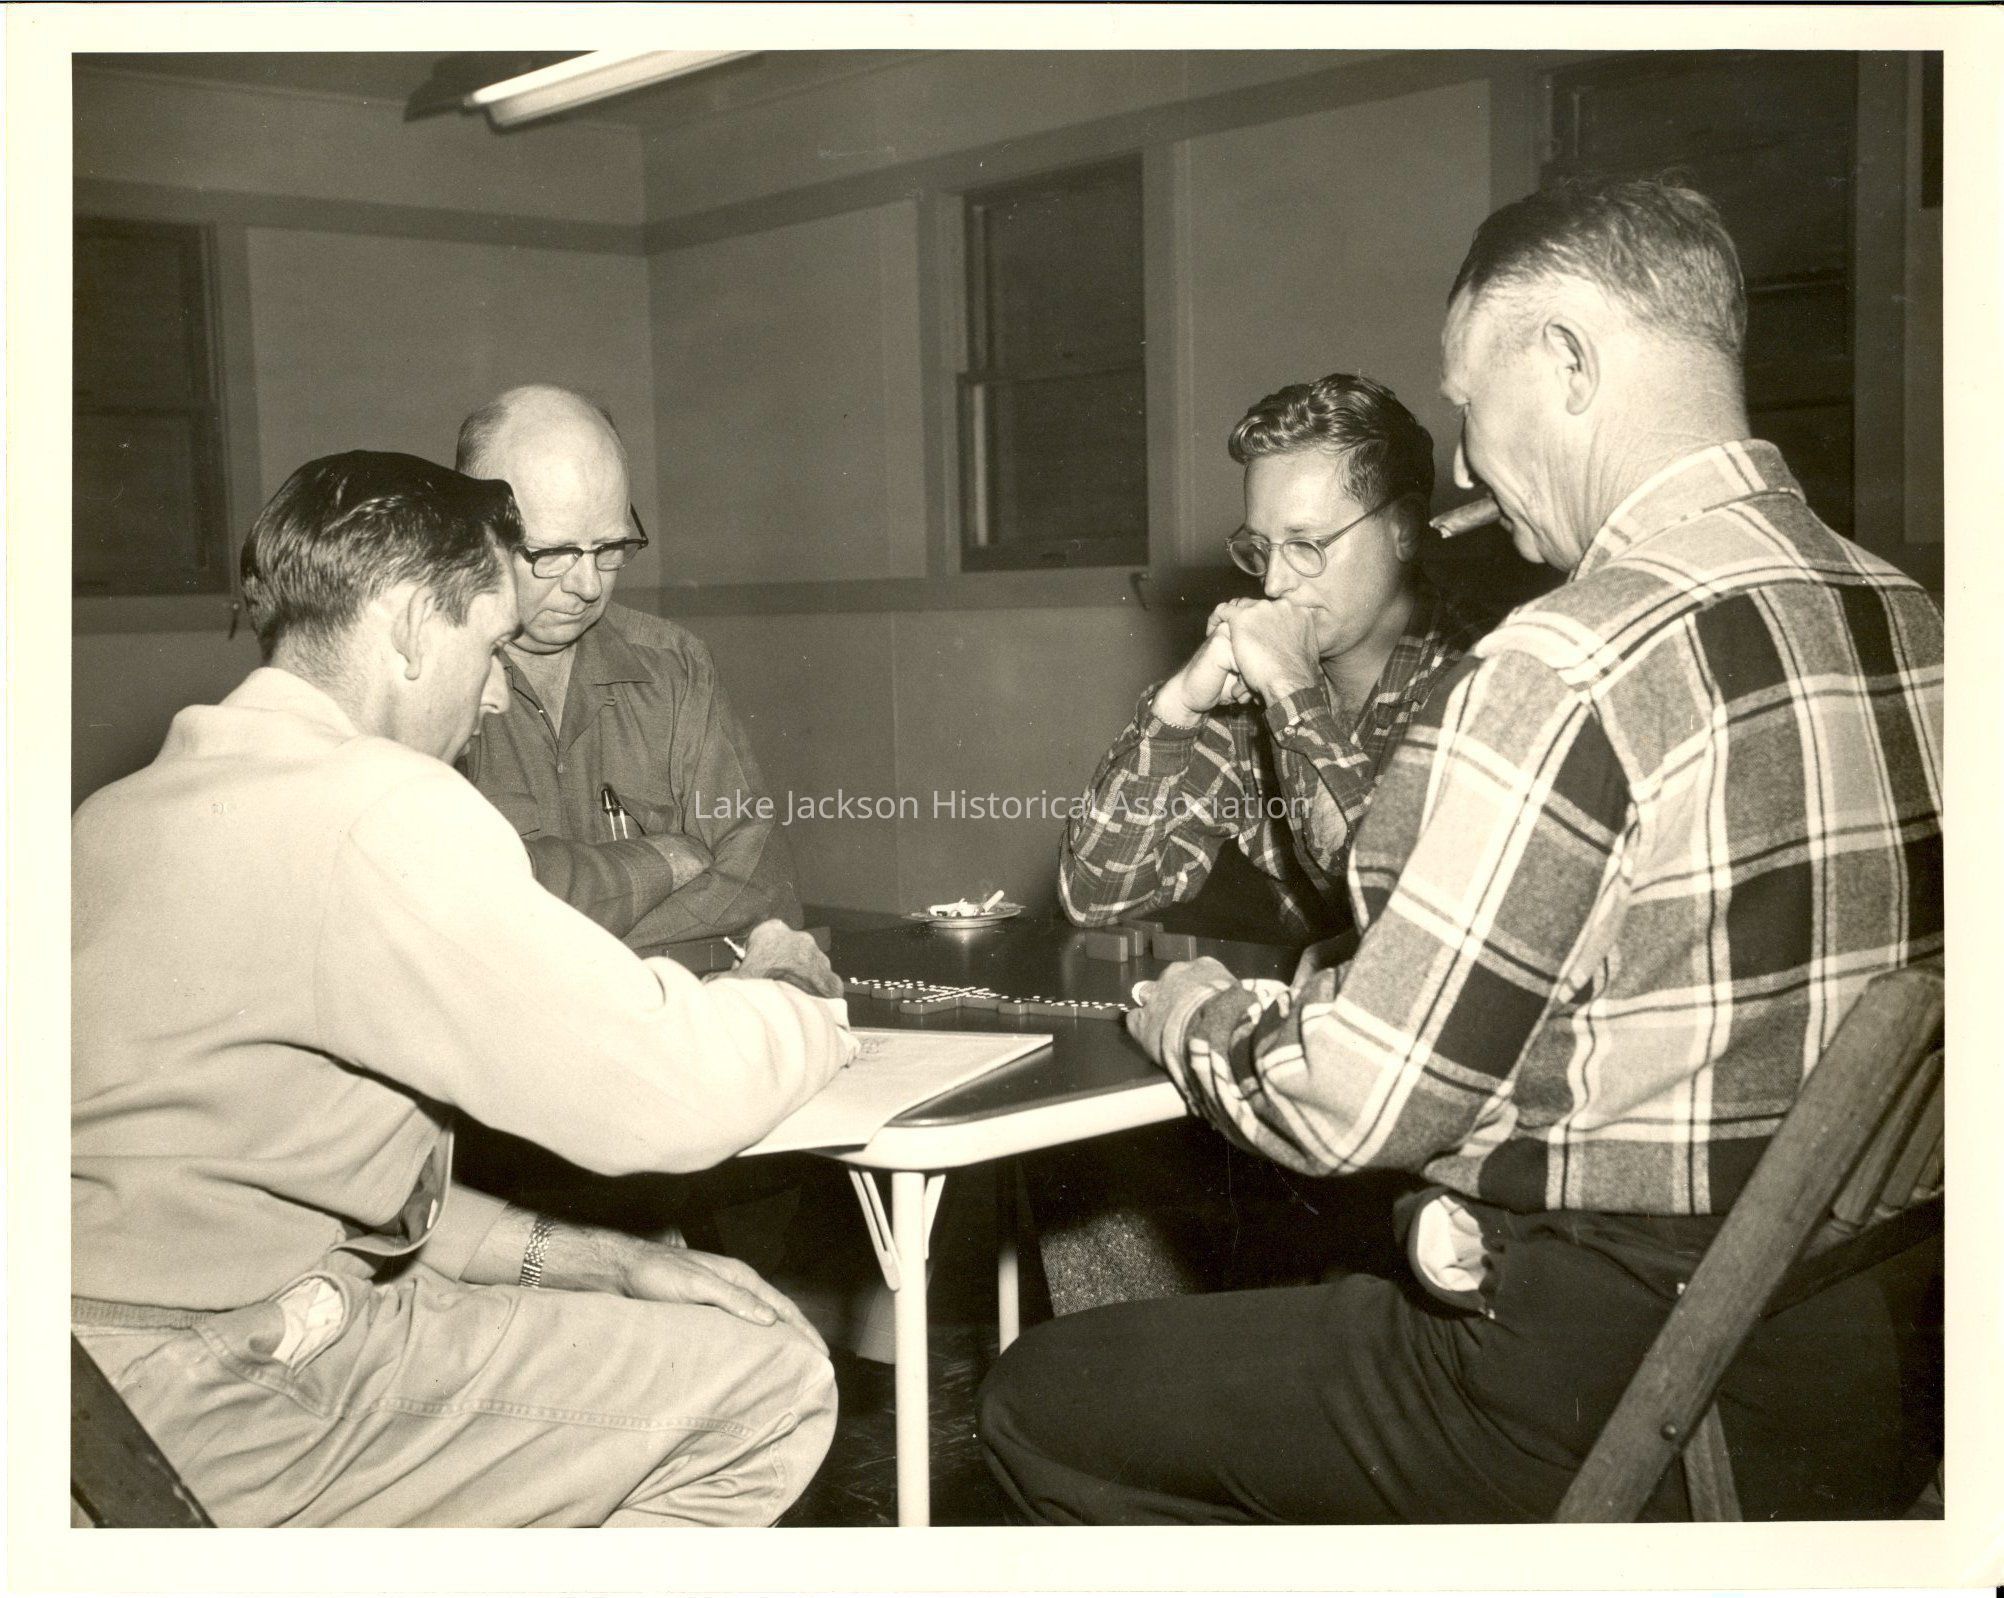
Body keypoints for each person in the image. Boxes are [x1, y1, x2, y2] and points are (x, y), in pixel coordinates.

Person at [981, 179, 1944, 1522]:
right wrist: (1183, 710)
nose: (1475, 468)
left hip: (1613, 1369)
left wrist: (1201, 1011)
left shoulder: (1558, 657)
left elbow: (1364, 1088)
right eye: (1262, 547)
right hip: (1854, 1346)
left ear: (1568, 362)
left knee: (1035, 1397)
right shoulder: (1916, 614)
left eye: (1472, 403)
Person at [72, 452, 854, 1527]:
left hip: (93, 1381)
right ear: (406, 626)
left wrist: (600, 1261)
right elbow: (676, 1095)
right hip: (221, 1391)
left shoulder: (120, 811)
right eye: (489, 647)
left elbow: (277, 1191)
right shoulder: (377, 806)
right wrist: (796, 996)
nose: (493, 695)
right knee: (770, 1381)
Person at [1058, 373, 1486, 942]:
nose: (1274, 582)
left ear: (1403, 529)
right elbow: (1097, 897)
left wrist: (1293, 692)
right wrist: (1178, 707)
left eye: (1306, 545)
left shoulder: (1484, 679)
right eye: (1260, 547)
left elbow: (1411, 920)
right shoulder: (1251, 691)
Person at [456, 384, 799, 949]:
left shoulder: (674, 666)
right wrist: (668, 862)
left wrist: (587, 948)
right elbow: (460, 903)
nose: (589, 585)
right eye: (554, 554)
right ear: (474, 534)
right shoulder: (430, 684)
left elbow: (760, 884)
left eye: (611, 548)